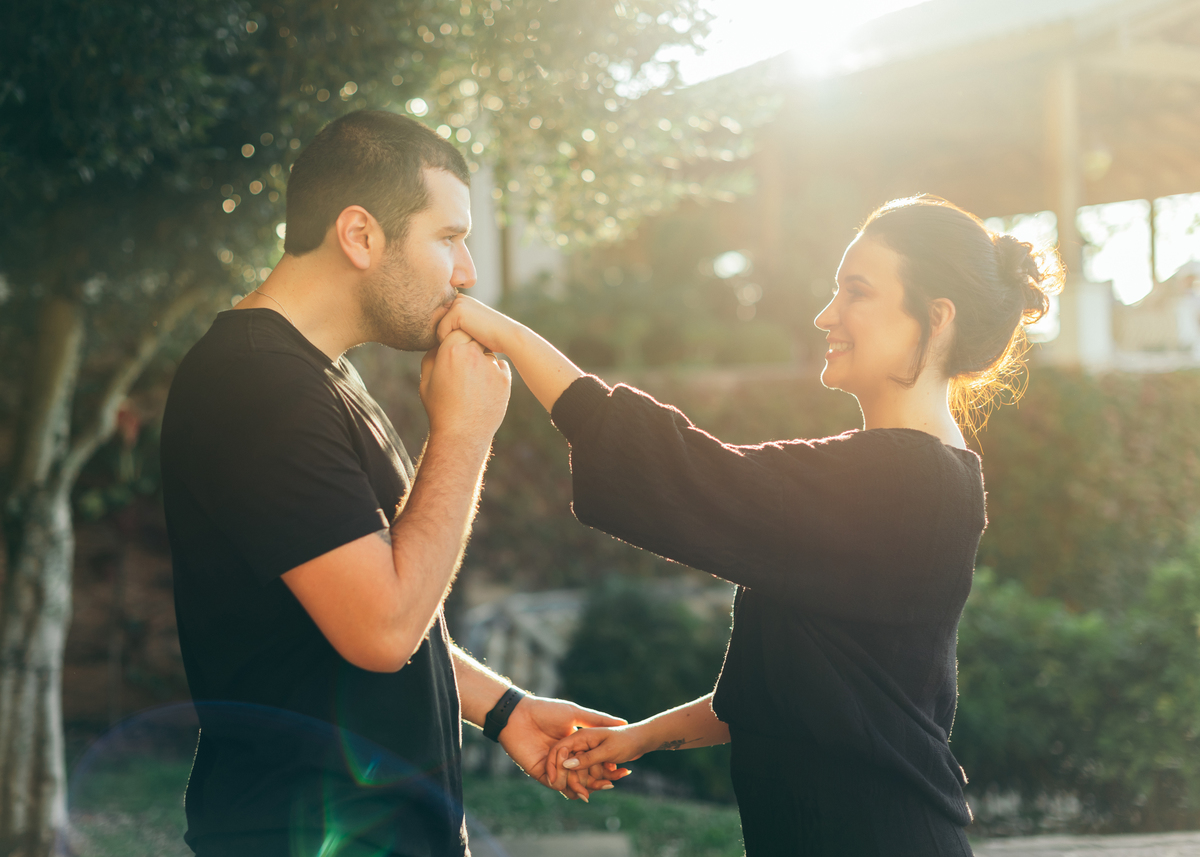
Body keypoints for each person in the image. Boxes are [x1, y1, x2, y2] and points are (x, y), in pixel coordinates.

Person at [433, 195, 1061, 856]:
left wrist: (508, 337)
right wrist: (635, 739)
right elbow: (793, 688)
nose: (827, 314)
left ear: (935, 318)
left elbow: (686, 473)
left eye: (858, 291)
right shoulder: (928, 477)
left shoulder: (900, 480)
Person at [160, 110, 623, 857]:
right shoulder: (256, 385)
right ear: (360, 235)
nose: (466, 272)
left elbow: (362, 599)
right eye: (448, 237)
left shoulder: (317, 376)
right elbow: (381, 629)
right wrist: (465, 432)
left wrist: (505, 709)